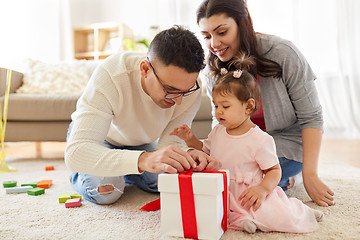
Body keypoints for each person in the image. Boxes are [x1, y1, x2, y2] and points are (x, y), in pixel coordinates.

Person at [195, 0, 335, 207]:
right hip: (240, 143)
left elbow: (312, 116)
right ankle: (279, 183)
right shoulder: (213, 68)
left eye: (222, 32)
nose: (214, 44)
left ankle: (285, 178)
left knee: (252, 170)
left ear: (242, 25)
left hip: (283, 143)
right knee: (223, 169)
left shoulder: (283, 53)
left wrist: (310, 175)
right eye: (206, 36)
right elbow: (220, 120)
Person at [65, 25, 220, 205]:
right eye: (170, 89)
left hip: (143, 144)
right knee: (107, 192)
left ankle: (129, 169)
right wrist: (144, 160)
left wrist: (189, 153)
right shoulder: (112, 73)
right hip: (102, 140)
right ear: (145, 69)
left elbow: (171, 143)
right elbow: (77, 152)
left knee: (170, 180)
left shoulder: (190, 88)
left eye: (184, 92)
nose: (178, 101)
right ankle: (87, 174)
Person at [170, 56, 323, 233]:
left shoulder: (260, 139)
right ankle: (242, 220)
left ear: (248, 106)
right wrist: (190, 139)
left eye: (225, 106)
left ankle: (301, 211)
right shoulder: (218, 131)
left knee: (277, 216)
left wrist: (263, 189)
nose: (218, 111)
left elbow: (274, 170)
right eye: (216, 105)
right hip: (223, 188)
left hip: (250, 191)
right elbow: (205, 151)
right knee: (211, 212)